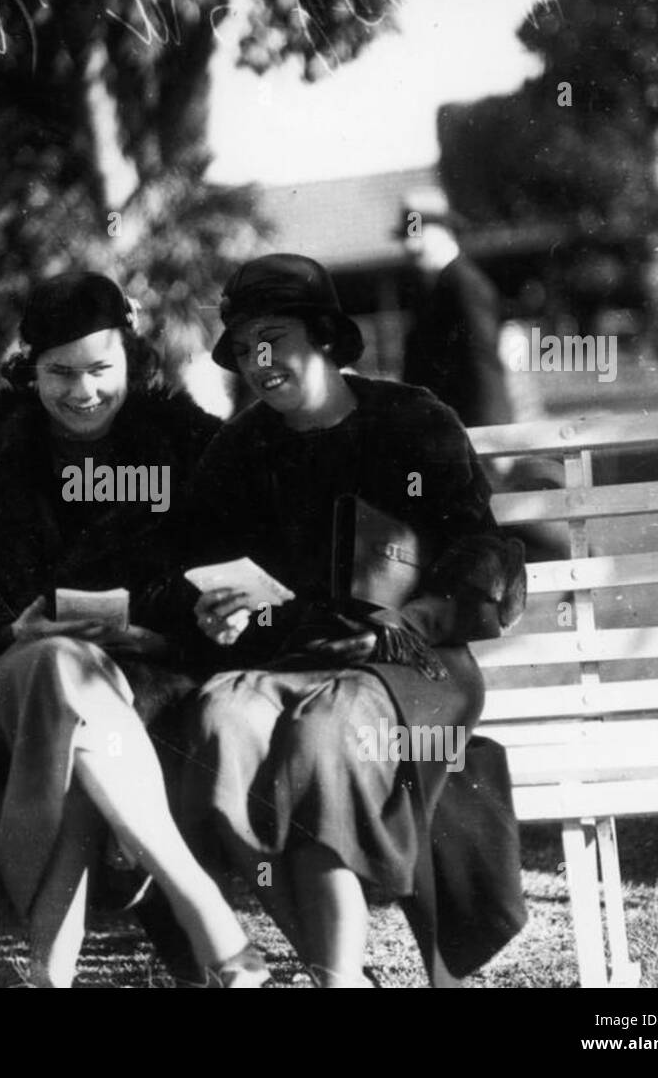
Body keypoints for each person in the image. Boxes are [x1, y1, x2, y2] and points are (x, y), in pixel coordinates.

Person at [168, 254, 527, 987]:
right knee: (217, 724)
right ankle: (341, 971)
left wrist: (406, 620)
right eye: (243, 348)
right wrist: (220, 614)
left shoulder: (412, 422)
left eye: (274, 337)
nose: (259, 362)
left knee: (325, 736)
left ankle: (333, 977)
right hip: (291, 659)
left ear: (326, 334)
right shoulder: (236, 452)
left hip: (410, 657)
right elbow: (207, 575)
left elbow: (483, 550)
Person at [0, 272, 267, 987]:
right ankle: (208, 913)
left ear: (132, 359)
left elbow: (223, 579)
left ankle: (51, 973)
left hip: (139, 682)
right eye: (59, 373)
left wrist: (165, 635)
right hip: (1, 685)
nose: (81, 392)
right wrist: (3, 627)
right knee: (58, 669)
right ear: (30, 368)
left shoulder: (189, 448)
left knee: (79, 722)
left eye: (100, 369)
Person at [399, 190, 514, 429]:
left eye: (418, 232)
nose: (411, 244)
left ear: (444, 232)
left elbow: (483, 362)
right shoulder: (428, 290)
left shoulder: (464, 285)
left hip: (473, 432)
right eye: (406, 235)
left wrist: (493, 435)